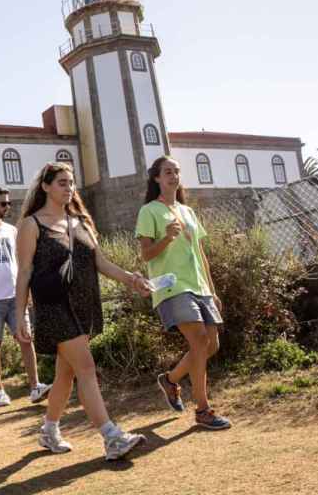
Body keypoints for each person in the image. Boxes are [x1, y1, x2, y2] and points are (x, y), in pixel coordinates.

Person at [14, 161, 152, 460]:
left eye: (71, 182)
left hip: (83, 305)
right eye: (62, 182)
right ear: (46, 186)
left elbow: (100, 262)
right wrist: (20, 315)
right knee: (86, 368)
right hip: (53, 308)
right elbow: (24, 272)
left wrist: (132, 279)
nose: (69, 187)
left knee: (66, 375)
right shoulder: (31, 225)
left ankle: (49, 431)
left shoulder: (81, 222)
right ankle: (111, 437)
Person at [136, 156, 232, 431]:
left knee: (211, 345)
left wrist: (212, 291)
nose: (174, 176)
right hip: (172, 286)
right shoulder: (149, 212)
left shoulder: (188, 211)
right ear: (156, 178)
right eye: (167, 172)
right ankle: (202, 410)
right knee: (200, 339)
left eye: (177, 171)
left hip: (199, 285)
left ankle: (170, 380)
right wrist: (166, 237)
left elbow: (201, 255)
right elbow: (145, 254)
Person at [0, 185, 52, 407]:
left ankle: (35, 387)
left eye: (9, 203)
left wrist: (28, 291)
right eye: (3, 203)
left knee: (26, 340)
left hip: (16, 296)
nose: (7, 207)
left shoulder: (12, 231)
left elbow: (23, 264)